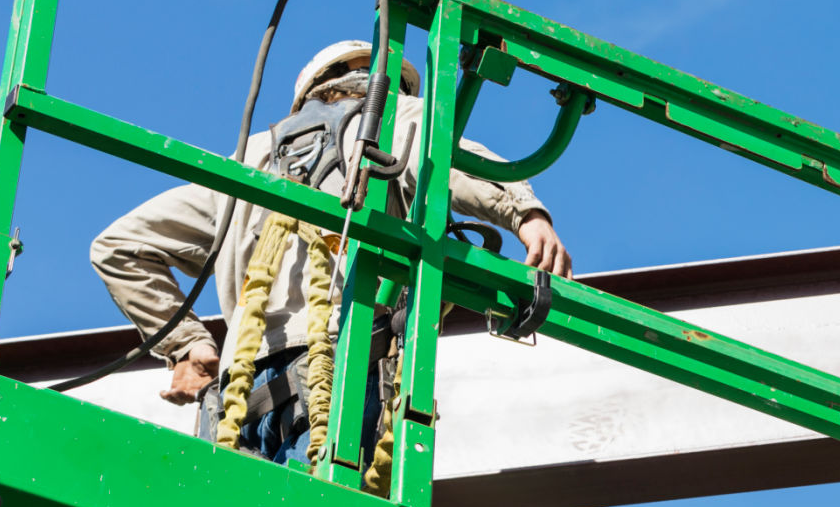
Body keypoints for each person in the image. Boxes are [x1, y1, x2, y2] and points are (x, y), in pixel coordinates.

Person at [90, 40, 574, 466]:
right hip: (339, 362)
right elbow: (445, 155)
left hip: (238, 392)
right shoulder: (385, 119)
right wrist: (526, 214)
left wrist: (189, 345)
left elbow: (118, 248)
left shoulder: (251, 160)